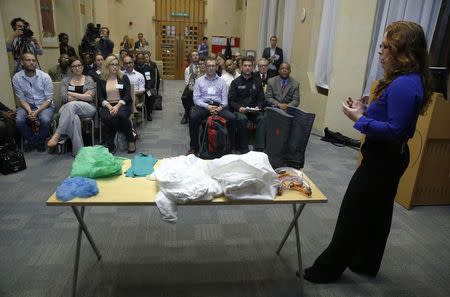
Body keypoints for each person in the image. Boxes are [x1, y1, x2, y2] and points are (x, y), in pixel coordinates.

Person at [304, 21, 432, 284]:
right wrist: (365, 109)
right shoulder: (406, 79)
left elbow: (395, 130)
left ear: (402, 52)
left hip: (383, 158)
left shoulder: (403, 85)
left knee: (353, 212)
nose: (380, 51)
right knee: (377, 213)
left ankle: (326, 270)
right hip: (388, 156)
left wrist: (358, 119)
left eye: (386, 46)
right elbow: (391, 117)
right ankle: (364, 262)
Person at [47, 57, 97, 156]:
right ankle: (78, 151)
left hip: (87, 108)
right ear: (71, 68)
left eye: (79, 65)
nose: (77, 68)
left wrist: (72, 94)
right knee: (74, 118)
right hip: (67, 108)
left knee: (72, 105)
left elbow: (90, 98)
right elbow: (64, 98)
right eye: (74, 66)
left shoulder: (89, 79)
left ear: (82, 67)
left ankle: (57, 134)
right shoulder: (65, 81)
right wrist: (82, 96)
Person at [188, 57, 236, 155]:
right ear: (205, 67)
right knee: (193, 117)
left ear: (217, 67)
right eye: (208, 65)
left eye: (213, 66)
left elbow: (224, 99)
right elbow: (196, 99)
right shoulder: (199, 81)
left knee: (232, 118)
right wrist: (207, 107)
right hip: (204, 106)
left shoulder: (221, 81)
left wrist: (220, 108)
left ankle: (231, 148)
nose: (211, 68)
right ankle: (194, 147)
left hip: (219, 106)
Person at [13, 52, 54, 152]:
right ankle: (32, 141)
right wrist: (29, 111)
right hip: (27, 105)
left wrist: (36, 112)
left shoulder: (45, 77)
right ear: (22, 63)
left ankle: (40, 142)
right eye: (28, 60)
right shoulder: (17, 78)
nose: (31, 62)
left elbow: (49, 99)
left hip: (45, 105)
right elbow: (22, 99)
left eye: (33, 60)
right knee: (19, 120)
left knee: (45, 119)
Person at [98, 55, 135, 154]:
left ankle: (130, 140)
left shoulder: (123, 77)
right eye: (112, 64)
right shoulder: (101, 79)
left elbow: (127, 95)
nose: (115, 67)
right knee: (107, 117)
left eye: (117, 64)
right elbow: (100, 97)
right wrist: (110, 107)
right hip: (107, 105)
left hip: (123, 103)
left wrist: (117, 106)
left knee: (121, 115)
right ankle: (115, 141)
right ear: (107, 66)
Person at [228, 56, 266, 153]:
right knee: (242, 119)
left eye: (250, 66)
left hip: (254, 111)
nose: (248, 68)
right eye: (245, 65)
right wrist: (239, 108)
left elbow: (261, 99)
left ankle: (258, 148)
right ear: (241, 67)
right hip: (241, 110)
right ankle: (243, 148)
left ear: (253, 67)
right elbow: (231, 100)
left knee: (262, 118)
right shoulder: (235, 82)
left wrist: (259, 107)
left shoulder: (258, 82)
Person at [134, 52, 160, 121]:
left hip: (147, 88)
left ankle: (148, 113)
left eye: (142, 59)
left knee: (151, 94)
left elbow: (152, 80)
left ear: (144, 59)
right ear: (136, 60)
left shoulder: (150, 68)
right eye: (138, 59)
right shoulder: (134, 69)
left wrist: (146, 88)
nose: (140, 60)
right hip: (137, 89)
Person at [181, 56, 207, 124]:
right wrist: (198, 90)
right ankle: (187, 114)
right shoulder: (194, 74)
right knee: (187, 97)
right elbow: (190, 86)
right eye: (200, 64)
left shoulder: (209, 74)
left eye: (204, 64)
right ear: (198, 65)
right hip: (195, 93)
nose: (202, 65)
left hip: (206, 94)